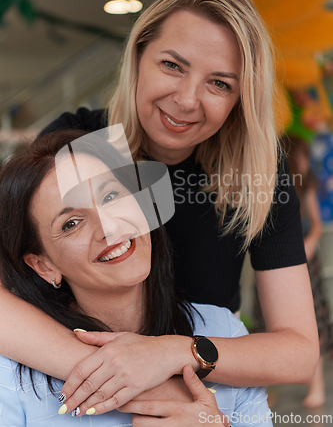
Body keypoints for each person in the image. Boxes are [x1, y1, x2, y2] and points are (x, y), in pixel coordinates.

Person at [0, 0, 319, 415]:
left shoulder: (257, 170)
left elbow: (299, 352)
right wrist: (131, 379)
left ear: (240, 98)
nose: (187, 100)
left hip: (211, 384)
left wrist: (171, 356)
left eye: (220, 83)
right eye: (172, 65)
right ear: (138, 57)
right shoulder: (84, 143)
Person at [0, 129, 273, 426]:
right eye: (72, 223)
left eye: (111, 195)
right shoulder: (12, 378)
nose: (109, 226)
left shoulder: (224, 332)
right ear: (43, 266)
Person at [283, 135, 333, 408]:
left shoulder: (307, 185)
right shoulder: (274, 186)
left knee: (312, 322)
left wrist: (308, 245)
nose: (306, 161)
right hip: (281, 263)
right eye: (302, 155)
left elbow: (315, 225)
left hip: (305, 263)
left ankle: (318, 386)